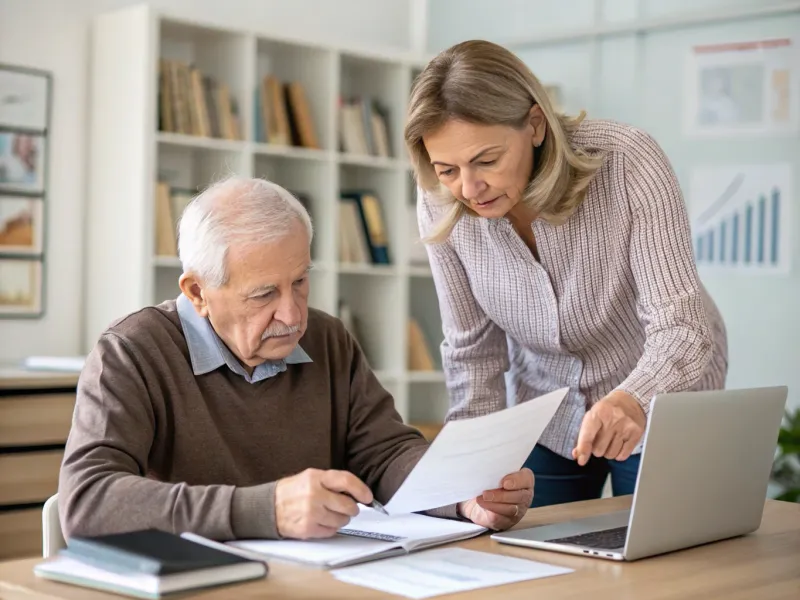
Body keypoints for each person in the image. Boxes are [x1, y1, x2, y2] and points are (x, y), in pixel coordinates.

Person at [58, 176, 534, 542]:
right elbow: (88, 501)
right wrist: (266, 510)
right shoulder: (132, 352)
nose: (292, 313)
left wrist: (462, 494)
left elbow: (384, 454)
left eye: (300, 282)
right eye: (264, 294)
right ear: (197, 292)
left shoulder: (327, 338)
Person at [404, 40, 728, 507]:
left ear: (535, 124)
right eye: (447, 169)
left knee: (660, 563)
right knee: (535, 552)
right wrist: (471, 475)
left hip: (661, 391)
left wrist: (634, 397)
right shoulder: (440, 198)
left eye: (487, 161)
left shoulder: (627, 161)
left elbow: (682, 327)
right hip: (548, 404)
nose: (469, 188)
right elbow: (473, 351)